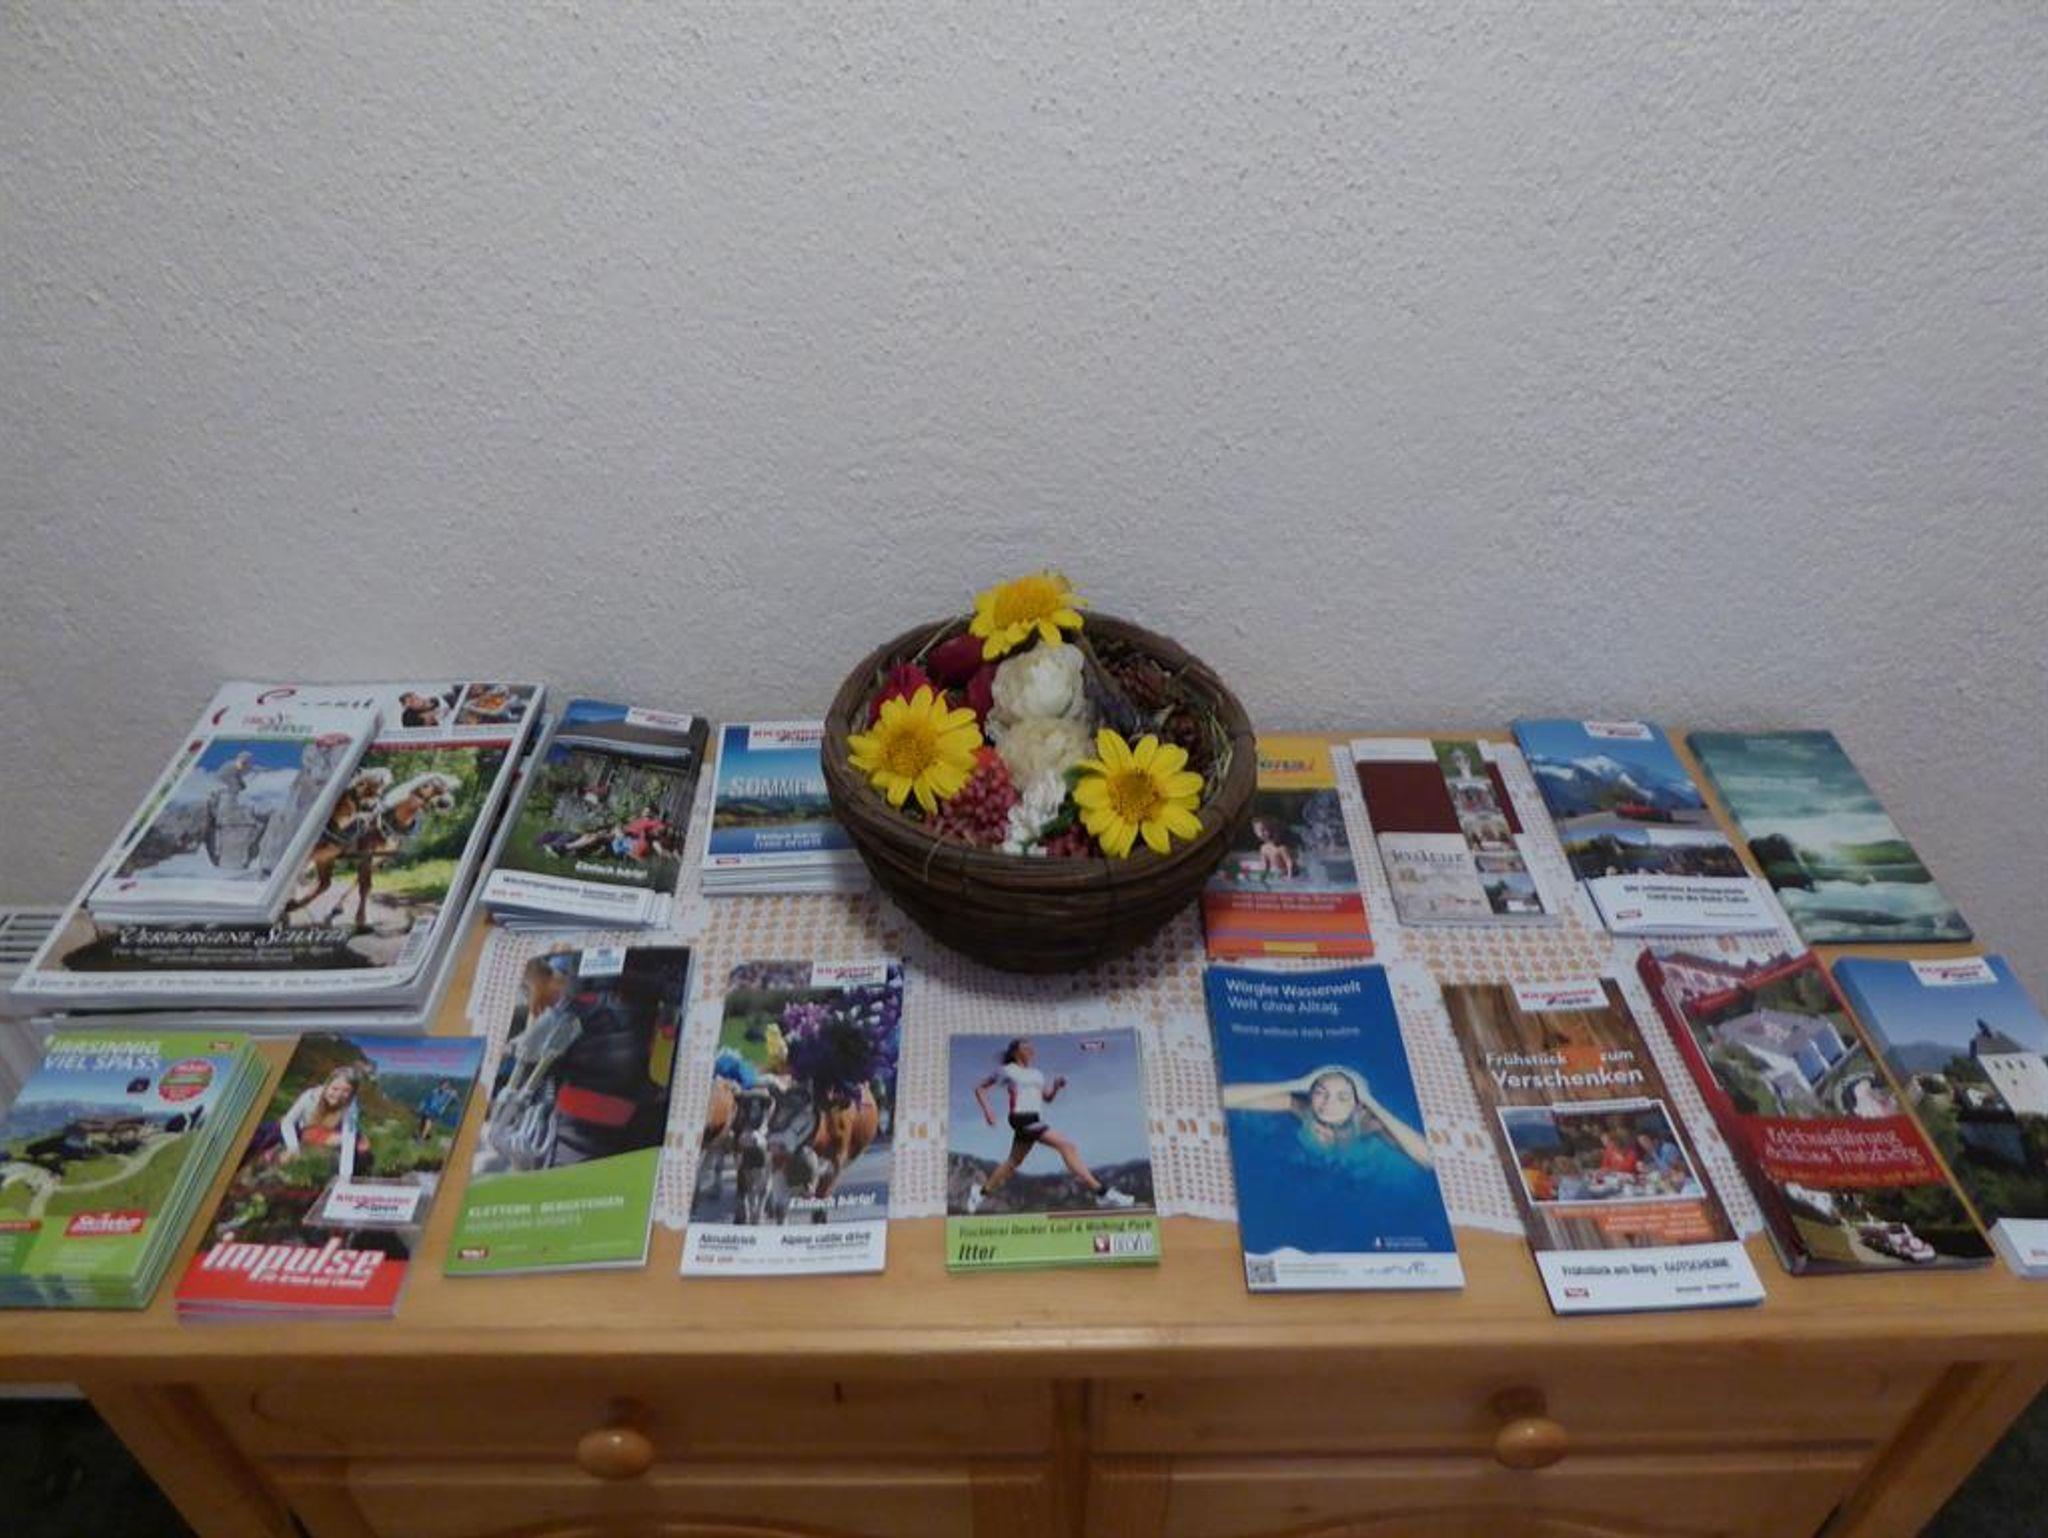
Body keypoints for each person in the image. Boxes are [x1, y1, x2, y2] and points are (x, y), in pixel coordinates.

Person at [967, 1038, 1136, 1213]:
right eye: (1026, 1046)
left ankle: (980, 1192)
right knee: (1067, 1146)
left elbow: (1047, 1098)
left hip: (1034, 1119)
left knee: (1012, 1163)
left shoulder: (1037, 1074)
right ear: (1016, 1051)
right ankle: (1102, 1193)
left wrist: (1055, 1087)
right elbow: (980, 1089)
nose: (1031, 1049)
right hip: (1021, 1119)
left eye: (1032, 1046)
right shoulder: (1007, 1070)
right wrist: (987, 1111)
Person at [1220, 1065, 1433, 1166]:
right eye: (1321, 1093)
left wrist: (1372, 1103)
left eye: (1343, 1097)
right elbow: (1225, 1097)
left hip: (1360, 1170)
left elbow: (1427, 1159)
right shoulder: (1303, 1108)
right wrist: (1296, 1084)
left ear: (1358, 1104)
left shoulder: (1368, 1124)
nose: (1329, 1104)